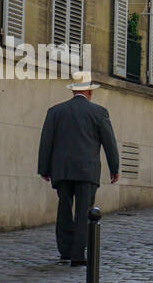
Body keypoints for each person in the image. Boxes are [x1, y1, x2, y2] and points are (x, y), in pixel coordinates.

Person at [38, 75, 120, 265]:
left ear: (73, 90)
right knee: (84, 211)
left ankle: (65, 251)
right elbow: (109, 143)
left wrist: (44, 168)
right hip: (87, 170)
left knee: (64, 208)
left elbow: (46, 142)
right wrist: (114, 167)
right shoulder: (99, 112)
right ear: (90, 92)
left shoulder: (55, 111)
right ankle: (77, 254)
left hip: (62, 169)